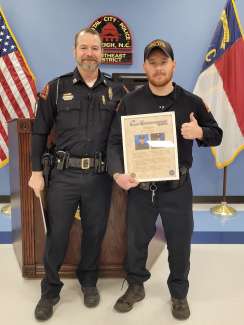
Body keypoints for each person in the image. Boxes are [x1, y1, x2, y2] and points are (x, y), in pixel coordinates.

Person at [107, 39, 223, 320]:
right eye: (153, 63)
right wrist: (117, 173)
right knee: (135, 241)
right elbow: (113, 143)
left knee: (180, 243)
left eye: (164, 62)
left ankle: (179, 293)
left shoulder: (191, 102)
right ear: (145, 66)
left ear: (173, 64)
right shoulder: (130, 102)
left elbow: (216, 133)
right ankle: (136, 286)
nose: (158, 68)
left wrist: (200, 134)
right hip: (141, 188)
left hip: (177, 188)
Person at [28, 28, 125, 321]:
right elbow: (39, 131)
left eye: (95, 48)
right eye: (84, 48)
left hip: (99, 176)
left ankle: (88, 280)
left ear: (102, 53)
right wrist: (35, 171)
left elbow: (131, 128)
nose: (89, 54)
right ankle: (50, 290)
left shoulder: (117, 89)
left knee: (95, 232)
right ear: (75, 51)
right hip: (64, 175)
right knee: (57, 235)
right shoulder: (55, 88)